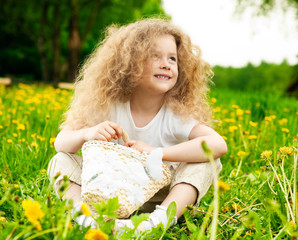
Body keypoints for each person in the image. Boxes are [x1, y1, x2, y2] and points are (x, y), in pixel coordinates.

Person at [47, 18, 227, 233]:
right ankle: (88, 219)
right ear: (129, 63)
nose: (166, 64)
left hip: (159, 199)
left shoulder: (175, 113)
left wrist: (159, 153)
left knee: (207, 162)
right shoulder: (109, 105)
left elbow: (218, 144)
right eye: (154, 56)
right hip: (108, 196)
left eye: (172, 58)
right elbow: (61, 143)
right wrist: (88, 133)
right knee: (60, 161)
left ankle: (155, 224)